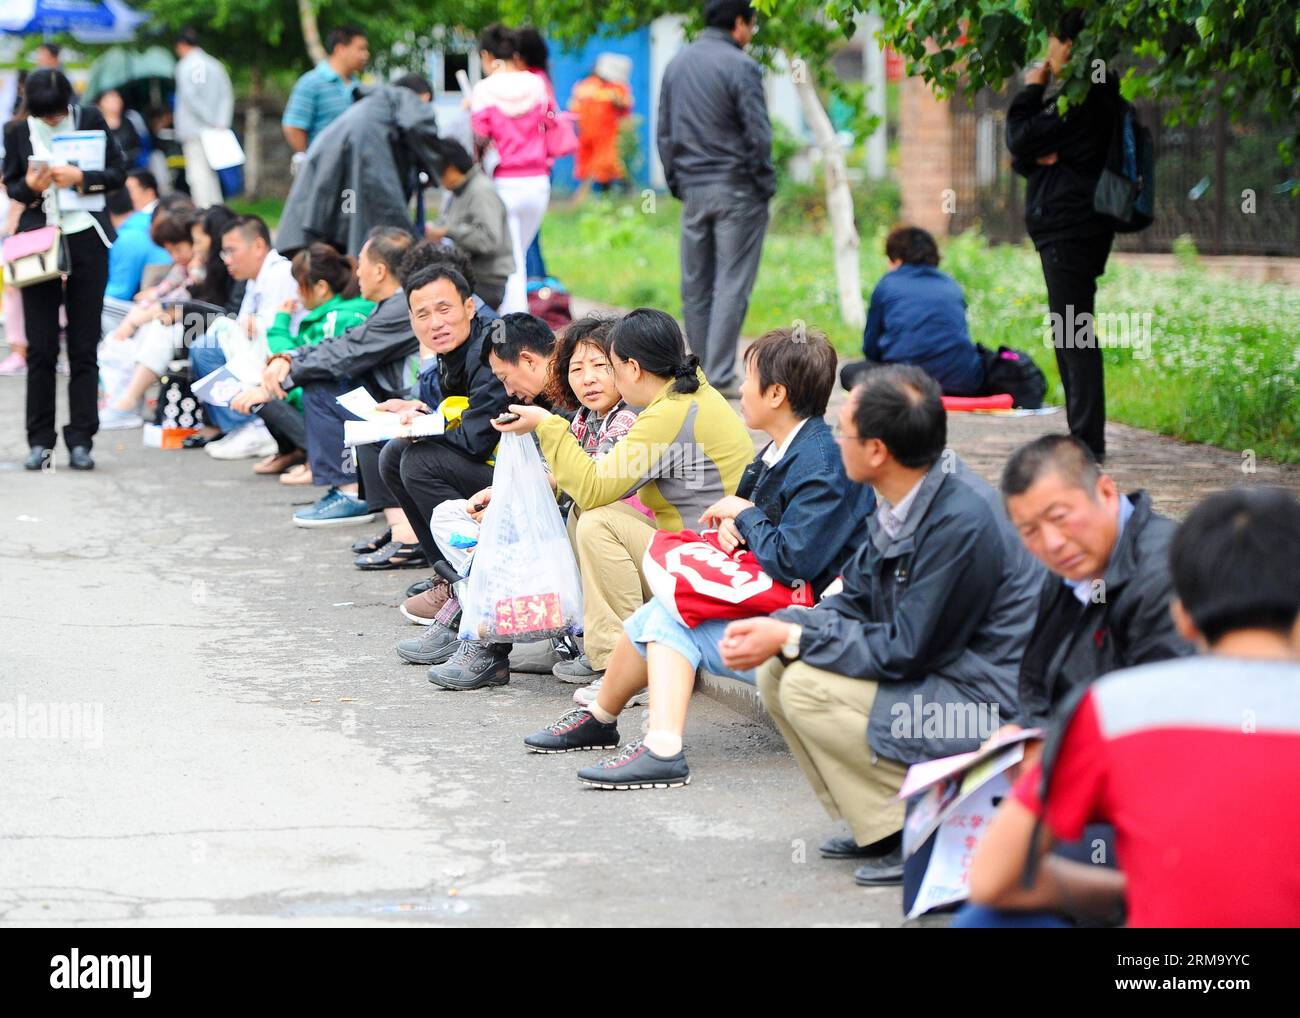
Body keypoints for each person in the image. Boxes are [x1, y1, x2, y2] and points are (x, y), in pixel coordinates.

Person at [719, 365, 1040, 886]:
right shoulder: (905, 496)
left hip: (989, 705)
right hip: (943, 672)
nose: (833, 438)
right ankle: (879, 825)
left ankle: (923, 825)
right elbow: (860, 598)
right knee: (778, 667)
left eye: (843, 429)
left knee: (804, 684)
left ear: (875, 452)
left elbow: (905, 649)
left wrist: (796, 634)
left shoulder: (961, 520)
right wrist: (783, 626)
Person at [522, 326, 876, 789]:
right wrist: (737, 525)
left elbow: (794, 561)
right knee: (663, 614)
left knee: (667, 618)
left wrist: (744, 515)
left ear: (775, 394)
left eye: (748, 380)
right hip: (787, 605)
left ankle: (638, 737)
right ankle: (621, 728)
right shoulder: (785, 449)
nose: (739, 390)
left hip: (811, 626)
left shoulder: (822, 464)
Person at [964, 486, 1300, 928]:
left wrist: (1125, 895)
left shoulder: (1111, 708)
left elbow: (990, 880)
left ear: (1182, 617)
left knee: (987, 920)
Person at [492, 308, 755, 688]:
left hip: (708, 565)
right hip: (706, 553)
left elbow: (596, 488)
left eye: (609, 366)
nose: (602, 379)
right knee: (588, 515)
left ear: (632, 368)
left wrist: (548, 425)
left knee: (598, 520)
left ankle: (627, 665)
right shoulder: (688, 396)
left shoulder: (666, 415)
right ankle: (601, 646)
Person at [399, 314, 639, 663]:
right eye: (575, 370)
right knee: (453, 514)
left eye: (599, 366)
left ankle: (478, 634)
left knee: (514, 526)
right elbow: (558, 472)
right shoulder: (587, 415)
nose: (586, 379)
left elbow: (591, 485)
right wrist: (504, 495)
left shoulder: (623, 417)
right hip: (582, 519)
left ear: (625, 367)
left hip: (611, 532)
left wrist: (540, 440)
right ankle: (469, 611)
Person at [1002, 434, 1192, 748]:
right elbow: (1043, 687)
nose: (1052, 542)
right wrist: (1021, 731)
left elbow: (1164, 725)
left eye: (1059, 518)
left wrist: (1052, 759)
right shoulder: (1073, 566)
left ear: (1106, 492)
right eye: (1030, 531)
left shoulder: (1165, 576)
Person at [1006, 7, 1120, 461]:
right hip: (1072, 227)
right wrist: (1036, 152)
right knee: (1070, 329)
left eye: (1052, 41)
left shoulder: (1085, 94)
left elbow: (1018, 137)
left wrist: (1033, 87)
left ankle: (1087, 440)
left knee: (1074, 331)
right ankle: (1083, 435)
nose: (1047, 52)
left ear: (1068, 45)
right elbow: (1024, 152)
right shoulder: (1088, 92)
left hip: (1071, 228)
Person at [3, 68, 127, 471]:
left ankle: (81, 440)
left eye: (58, 113)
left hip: (87, 237)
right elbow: (11, 185)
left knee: (83, 344)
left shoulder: (90, 118)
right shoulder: (17, 130)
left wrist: (81, 178)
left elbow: (117, 173)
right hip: (39, 242)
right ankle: (40, 441)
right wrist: (33, 186)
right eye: (47, 115)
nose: (54, 120)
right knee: (39, 347)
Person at [259, 226, 416, 526]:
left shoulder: (400, 306)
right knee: (313, 381)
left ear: (380, 271)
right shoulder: (388, 305)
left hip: (414, 406)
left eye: (362, 264)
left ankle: (351, 492)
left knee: (320, 385)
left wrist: (286, 369)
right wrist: (287, 359)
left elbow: (344, 354)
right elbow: (342, 346)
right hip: (397, 399)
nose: (356, 273)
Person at [657, 0, 774, 396]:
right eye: (751, 25)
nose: (751, 33)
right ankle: (720, 375)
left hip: (694, 188)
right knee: (731, 282)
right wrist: (765, 182)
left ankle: (701, 371)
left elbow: (665, 133)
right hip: (737, 188)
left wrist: (678, 182)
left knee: (695, 282)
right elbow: (758, 132)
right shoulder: (742, 66)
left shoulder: (677, 65)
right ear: (740, 23)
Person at [229, 242, 374, 476]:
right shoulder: (327, 315)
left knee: (268, 393)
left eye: (300, 286)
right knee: (264, 385)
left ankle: (317, 459)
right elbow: (290, 354)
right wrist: (282, 323)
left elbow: (313, 369)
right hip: (332, 399)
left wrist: (273, 387)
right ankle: (294, 452)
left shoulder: (338, 319)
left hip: (345, 407)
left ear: (321, 288)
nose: (296, 293)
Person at [99, 203, 241, 430]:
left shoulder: (227, 267)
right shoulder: (207, 266)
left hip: (211, 329)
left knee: (161, 329)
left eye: (197, 241)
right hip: (200, 325)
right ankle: (126, 399)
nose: (194, 249)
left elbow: (221, 309)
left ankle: (128, 402)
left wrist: (180, 307)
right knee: (154, 325)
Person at [192, 216, 300, 460]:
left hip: (285, 354)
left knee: (206, 349)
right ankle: (241, 425)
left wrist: (252, 327)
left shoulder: (279, 274)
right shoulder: (255, 278)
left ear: (259, 246)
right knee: (206, 344)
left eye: (232, 251)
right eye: (223, 253)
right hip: (262, 353)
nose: (227, 260)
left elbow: (276, 330)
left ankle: (252, 426)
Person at [469, 23, 554, 314]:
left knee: (511, 260)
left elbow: (479, 138)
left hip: (505, 184)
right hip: (539, 182)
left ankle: (514, 326)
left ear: (485, 55)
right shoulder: (537, 83)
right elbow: (551, 122)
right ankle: (518, 323)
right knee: (518, 252)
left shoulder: (483, 90)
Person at [839, 226, 985, 396]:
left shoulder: (888, 284)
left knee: (849, 373)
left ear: (897, 259)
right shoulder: (951, 284)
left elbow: (871, 348)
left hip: (906, 383)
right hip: (962, 382)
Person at [424, 139, 513, 311]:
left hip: (484, 281)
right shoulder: (457, 192)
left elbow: (488, 240)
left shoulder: (481, 191)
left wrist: (447, 231)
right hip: (466, 276)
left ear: (450, 168)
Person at [282, 24, 369, 168]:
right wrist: (308, 161)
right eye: (360, 49)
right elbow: (293, 126)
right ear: (340, 49)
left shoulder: (360, 87)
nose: (366, 55)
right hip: (323, 171)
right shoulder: (311, 82)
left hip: (354, 169)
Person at [101, 171, 172, 328]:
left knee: (94, 303)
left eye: (131, 190)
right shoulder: (150, 222)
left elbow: (120, 291)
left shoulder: (130, 234)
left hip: (156, 307)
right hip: (167, 301)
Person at [173, 27, 234, 209]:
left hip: (195, 129)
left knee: (197, 174)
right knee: (211, 173)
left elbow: (190, 97)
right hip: (217, 129)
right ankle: (217, 209)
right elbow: (226, 95)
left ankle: (205, 212)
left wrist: (210, 120)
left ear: (181, 45)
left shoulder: (185, 66)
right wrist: (221, 122)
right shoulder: (215, 65)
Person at [569, 54, 633, 204]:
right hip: (590, 137)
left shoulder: (609, 88)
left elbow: (625, 106)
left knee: (607, 166)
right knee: (597, 168)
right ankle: (605, 198)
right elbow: (575, 110)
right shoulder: (587, 87)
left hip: (602, 136)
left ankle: (612, 196)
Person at [96, 90, 148, 170]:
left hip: (132, 167)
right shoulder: (96, 125)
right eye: (109, 99)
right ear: (99, 104)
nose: (115, 102)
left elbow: (141, 146)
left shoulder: (131, 120)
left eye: (117, 97)